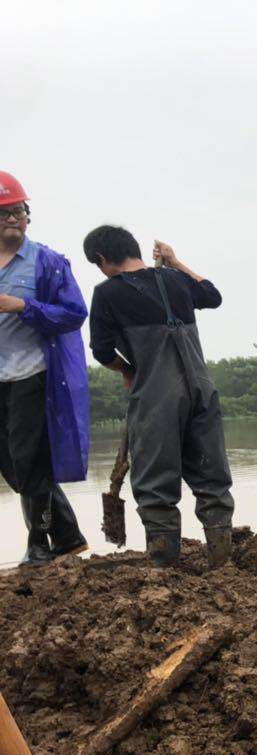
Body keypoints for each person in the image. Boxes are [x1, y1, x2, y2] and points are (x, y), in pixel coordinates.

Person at [85, 226, 235, 570]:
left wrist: (127, 371)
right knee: (212, 479)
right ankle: (222, 564)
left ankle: (165, 569)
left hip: (155, 396)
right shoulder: (176, 279)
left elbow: (101, 351)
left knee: (155, 484)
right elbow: (212, 295)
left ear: (102, 259)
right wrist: (175, 262)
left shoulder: (107, 293)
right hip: (202, 390)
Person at [0, 171, 90, 566]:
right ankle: (67, 536)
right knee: (13, 466)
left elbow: (73, 313)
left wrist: (24, 306)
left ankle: (38, 544)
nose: (12, 218)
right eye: (4, 213)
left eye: (18, 211)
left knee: (30, 461)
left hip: (33, 375)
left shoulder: (47, 262)